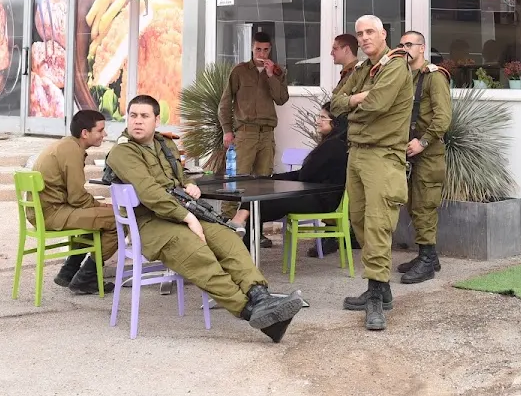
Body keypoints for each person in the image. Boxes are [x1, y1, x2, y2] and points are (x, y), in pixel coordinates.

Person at [105, 94, 303, 342]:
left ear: (156, 119)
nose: (137, 121)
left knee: (227, 238)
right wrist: (188, 217)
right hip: (150, 223)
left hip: (180, 213)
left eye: (144, 116)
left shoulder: (166, 145)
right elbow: (150, 193)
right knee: (197, 253)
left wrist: (190, 185)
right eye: (133, 115)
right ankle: (249, 310)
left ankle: (260, 296)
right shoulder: (122, 152)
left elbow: (179, 176)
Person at [332, 15, 413, 331]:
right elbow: (334, 103)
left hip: (383, 155)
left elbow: (378, 105)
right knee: (360, 222)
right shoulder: (364, 69)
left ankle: (376, 298)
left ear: (383, 34)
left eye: (369, 32)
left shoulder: (395, 66)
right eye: (359, 34)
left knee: (378, 224)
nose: (364, 38)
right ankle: (380, 287)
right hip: (357, 154)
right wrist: (356, 99)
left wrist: (353, 106)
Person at [228, 111, 350, 255]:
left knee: (258, 201)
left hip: (320, 200)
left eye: (323, 117)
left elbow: (305, 175)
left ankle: (239, 233)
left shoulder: (332, 146)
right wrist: (273, 178)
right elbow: (304, 175)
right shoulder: (335, 144)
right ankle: (242, 240)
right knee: (258, 201)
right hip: (318, 196)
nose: (317, 121)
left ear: (335, 122)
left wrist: (274, 179)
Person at [32, 109, 118, 295]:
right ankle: (86, 278)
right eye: (100, 130)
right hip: (53, 214)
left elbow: (75, 197)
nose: (104, 134)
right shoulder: (72, 151)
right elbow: (77, 198)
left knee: (99, 219)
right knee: (118, 220)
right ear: (85, 133)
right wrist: (101, 205)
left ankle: (69, 271)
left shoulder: (66, 145)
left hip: (46, 211)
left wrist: (97, 206)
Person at [218, 31, 289, 244]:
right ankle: (225, 230)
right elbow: (225, 103)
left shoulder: (277, 71)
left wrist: (271, 75)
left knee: (262, 184)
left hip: (266, 135)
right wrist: (227, 130)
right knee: (236, 181)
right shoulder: (239, 71)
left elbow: (282, 99)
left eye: (266, 50)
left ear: (270, 49)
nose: (262, 53)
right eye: (258, 49)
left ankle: (255, 232)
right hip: (245, 133)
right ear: (252, 47)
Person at [396, 31, 451, 285]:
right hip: (411, 152)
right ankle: (428, 256)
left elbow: (443, 117)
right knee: (414, 206)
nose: (404, 49)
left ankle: (427, 261)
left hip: (428, 153)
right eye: (401, 45)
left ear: (422, 48)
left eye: (409, 44)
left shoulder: (434, 77)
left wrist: (423, 141)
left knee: (425, 206)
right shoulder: (407, 76)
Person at [330, 33, 360, 100]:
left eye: (335, 49)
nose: (331, 53)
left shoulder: (357, 73)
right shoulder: (348, 73)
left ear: (346, 49)